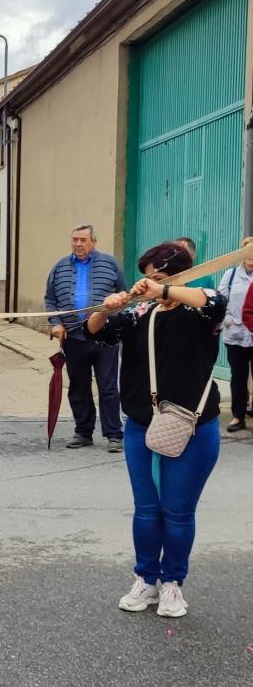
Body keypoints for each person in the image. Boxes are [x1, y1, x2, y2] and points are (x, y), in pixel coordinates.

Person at [86, 242, 224, 619]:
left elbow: (212, 302)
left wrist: (163, 290)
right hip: (143, 424)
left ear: (180, 276)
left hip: (194, 426)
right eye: (145, 276)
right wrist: (106, 307)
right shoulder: (140, 313)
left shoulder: (202, 307)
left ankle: (173, 583)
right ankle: (145, 578)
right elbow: (96, 331)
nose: (147, 284)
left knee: (177, 511)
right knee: (147, 509)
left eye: (158, 277)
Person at [44, 224, 127, 452]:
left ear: (93, 242)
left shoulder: (110, 264)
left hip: (104, 338)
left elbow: (123, 296)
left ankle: (114, 434)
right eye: (74, 240)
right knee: (78, 386)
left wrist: (116, 322)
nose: (78, 244)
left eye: (83, 240)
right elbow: (50, 300)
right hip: (73, 338)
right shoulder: (60, 267)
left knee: (108, 386)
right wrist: (56, 324)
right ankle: (83, 432)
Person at [217, 237, 253, 432]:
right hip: (236, 333)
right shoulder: (230, 275)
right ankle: (238, 415)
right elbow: (220, 301)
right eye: (247, 253)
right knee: (238, 376)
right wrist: (227, 320)